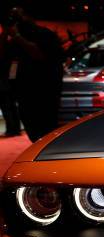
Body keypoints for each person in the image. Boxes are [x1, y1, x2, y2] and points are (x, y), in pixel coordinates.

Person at [0, 7, 63, 142]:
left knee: (46, 130)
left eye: (19, 14)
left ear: (29, 16)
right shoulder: (15, 39)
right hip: (23, 91)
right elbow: (4, 58)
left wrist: (17, 37)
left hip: (44, 90)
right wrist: (5, 34)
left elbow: (39, 54)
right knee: (32, 129)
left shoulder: (44, 34)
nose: (16, 19)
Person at [0, 36, 21, 136]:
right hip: (10, 84)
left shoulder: (4, 57)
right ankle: (15, 129)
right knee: (12, 107)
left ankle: (12, 130)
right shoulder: (13, 57)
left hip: (4, 85)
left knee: (7, 108)